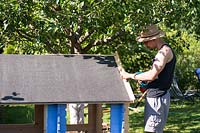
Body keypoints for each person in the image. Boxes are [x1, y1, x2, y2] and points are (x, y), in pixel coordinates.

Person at [120, 24, 176, 133]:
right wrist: (144, 79)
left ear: (154, 38)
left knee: (153, 130)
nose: (145, 45)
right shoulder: (163, 51)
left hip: (157, 98)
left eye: (146, 41)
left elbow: (151, 75)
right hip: (156, 96)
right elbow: (155, 76)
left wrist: (130, 75)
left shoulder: (164, 52)